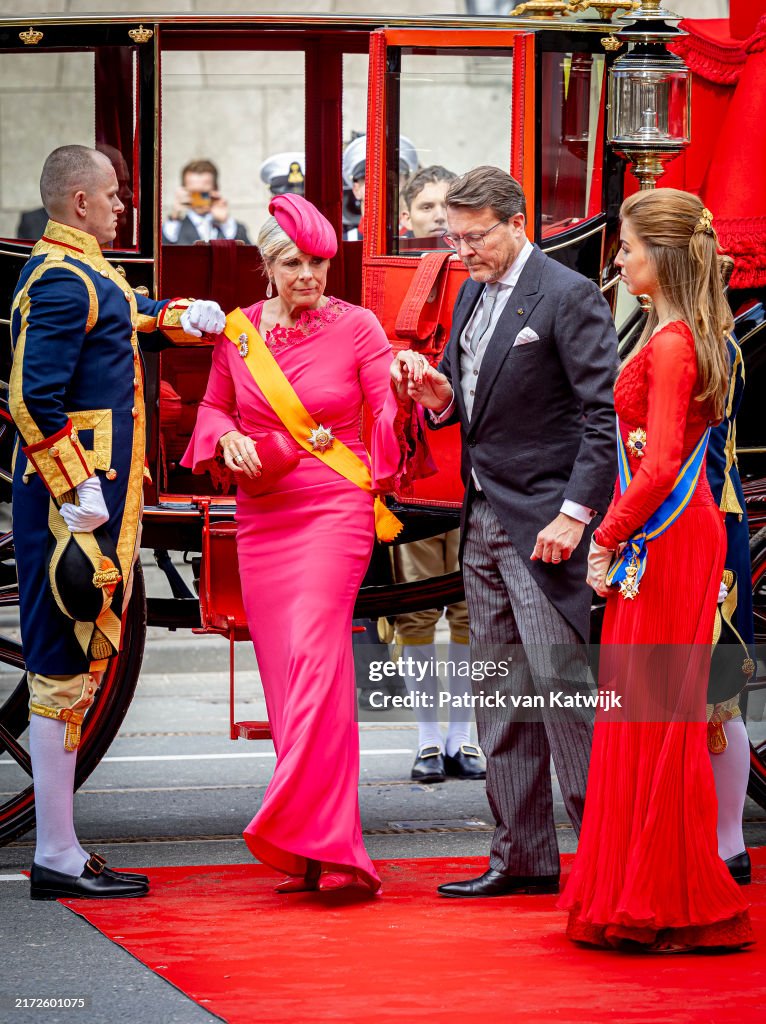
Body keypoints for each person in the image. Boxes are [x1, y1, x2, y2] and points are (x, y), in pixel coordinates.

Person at [182, 193, 421, 895]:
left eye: (319, 261)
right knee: (287, 681)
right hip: (263, 517)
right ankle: (315, 851)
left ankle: (325, 840)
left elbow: (386, 408)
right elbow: (215, 405)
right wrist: (224, 435)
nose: (310, 274)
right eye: (294, 263)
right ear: (267, 266)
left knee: (319, 665)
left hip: (333, 509)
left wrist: (409, 401)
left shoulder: (359, 327)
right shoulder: (239, 332)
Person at [392, 166, 618, 897]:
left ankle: (608, 866)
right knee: (500, 697)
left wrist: (575, 515)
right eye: (453, 237)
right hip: (482, 514)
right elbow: (477, 401)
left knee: (561, 699)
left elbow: (599, 417)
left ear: (518, 222)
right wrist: (439, 399)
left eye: (476, 236)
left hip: (546, 522)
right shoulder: (467, 292)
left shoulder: (568, 294)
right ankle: (521, 857)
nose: (463, 251)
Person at [9, 144, 225, 900]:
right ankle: (56, 853)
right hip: (78, 506)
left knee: (72, 667)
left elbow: (123, 319)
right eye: (111, 195)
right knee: (62, 667)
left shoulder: (78, 270)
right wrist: (75, 489)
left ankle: (61, 847)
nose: (121, 205)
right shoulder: (66, 278)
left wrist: (176, 316)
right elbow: (33, 402)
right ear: (78, 203)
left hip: (91, 501)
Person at [561, 188, 754, 951]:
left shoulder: (672, 343)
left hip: (666, 538)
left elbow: (664, 461)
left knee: (657, 720)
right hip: (668, 534)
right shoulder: (678, 332)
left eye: (629, 247)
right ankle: (649, 888)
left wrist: (604, 537)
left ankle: (670, 896)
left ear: (663, 255)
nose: (618, 258)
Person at [392, 165, 485, 783]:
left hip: (474, 472)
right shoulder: (395, 279)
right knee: (417, 615)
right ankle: (429, 739)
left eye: (446, 209)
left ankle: (465, 736)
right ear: (406, 219)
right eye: (426, 207)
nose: (436, 218)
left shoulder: (482, 279)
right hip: (419, 476)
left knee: (474, 614)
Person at [706, 327, 753, 886]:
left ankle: (729, 842)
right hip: (681, 519)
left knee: (717, 696)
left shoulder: (716, 346)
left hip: (706, 519)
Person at [342, 133, 418, 240]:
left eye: (392, 179)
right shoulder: (345, 243)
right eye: (373, 179)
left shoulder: (420, 239)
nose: (384, 186)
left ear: (405, 184)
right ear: (356, 189)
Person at [162, 158, 250, 244]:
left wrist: (225, 222)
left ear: (215, 188)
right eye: (194, 193)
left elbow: (251, 256)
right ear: (184, 190)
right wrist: (174, 217)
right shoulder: (173, 229)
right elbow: (162, 251)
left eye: (204, 193)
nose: (199, 199)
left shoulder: (233, 228)